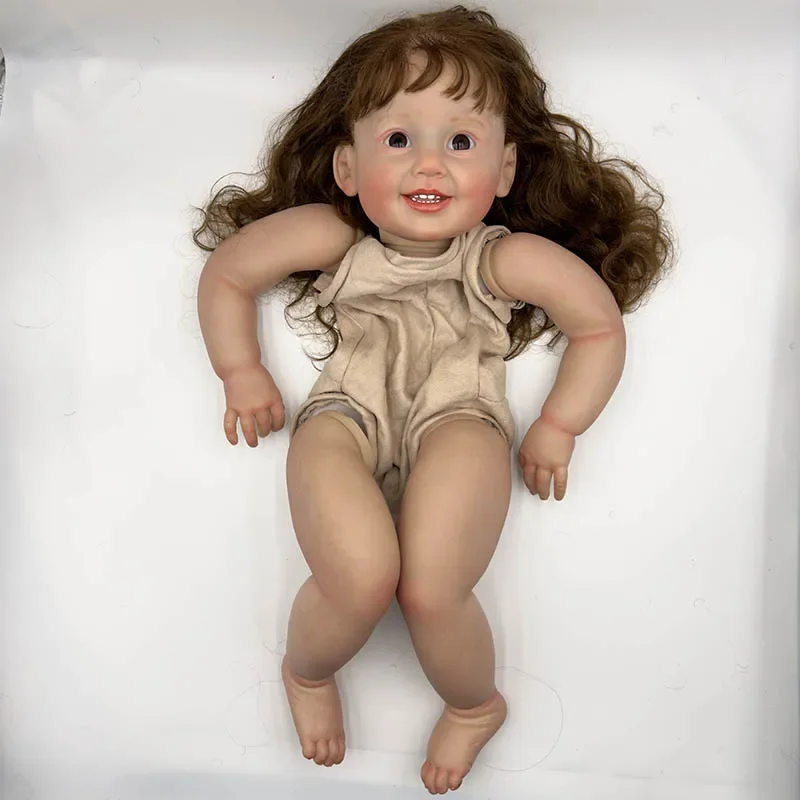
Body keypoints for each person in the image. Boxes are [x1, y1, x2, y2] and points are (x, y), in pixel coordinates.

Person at [194, 5, 673, 794]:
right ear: (348, 168)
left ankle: (474, 703)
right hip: (345, 415)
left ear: (505, 171)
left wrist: (560, 423)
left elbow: (597, 327)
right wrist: (239, 369)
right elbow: (229, 274)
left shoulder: (503, 258)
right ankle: (308, 672)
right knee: (358, 577)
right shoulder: (336, 237)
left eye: (460, 142)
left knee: (431, 587)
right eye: (397, 139)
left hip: (460, 416)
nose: (429, 166)